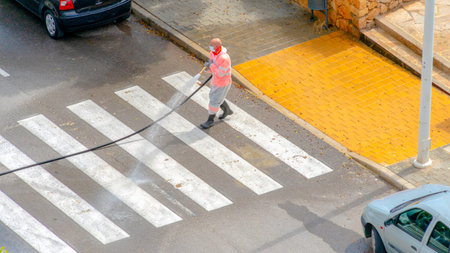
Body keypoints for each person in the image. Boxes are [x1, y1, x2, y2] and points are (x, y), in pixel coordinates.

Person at [201, 38, 233, 129]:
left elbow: (220, 74)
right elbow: (213, 66)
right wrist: (207, 67)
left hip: (223, 83)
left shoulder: (224, 58)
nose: (210, 47)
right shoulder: (213, 53)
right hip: (215, 81)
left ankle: (210, 120)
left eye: (211, 45)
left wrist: (211, 65)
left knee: (214, 101)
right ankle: (227, 110)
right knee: (216, 97)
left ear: (217, 46)